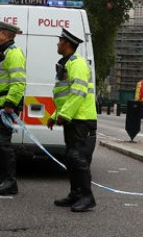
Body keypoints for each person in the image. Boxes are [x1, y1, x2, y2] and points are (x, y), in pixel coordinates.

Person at [47, 28, 97, 212]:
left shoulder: (77, 64)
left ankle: (87, 197)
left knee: (78, 158)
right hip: (73, 118)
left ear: (67, 43)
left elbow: (78, 92)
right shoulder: (66, 63)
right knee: (71, 157)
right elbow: (64, 96)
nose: (58, 43)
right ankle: (76, 194)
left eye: (60, 40)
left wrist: (64, 115)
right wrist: (55, 116)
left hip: (81, 118)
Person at [0, 20, 26, 195]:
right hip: (0, 104)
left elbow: (18, 81)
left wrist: (10, 104)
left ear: (7, 35)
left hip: (6, 106)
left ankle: (10, 183)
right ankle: (3, 179)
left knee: (3, 142)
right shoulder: (3, 52)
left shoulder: (14, 54)